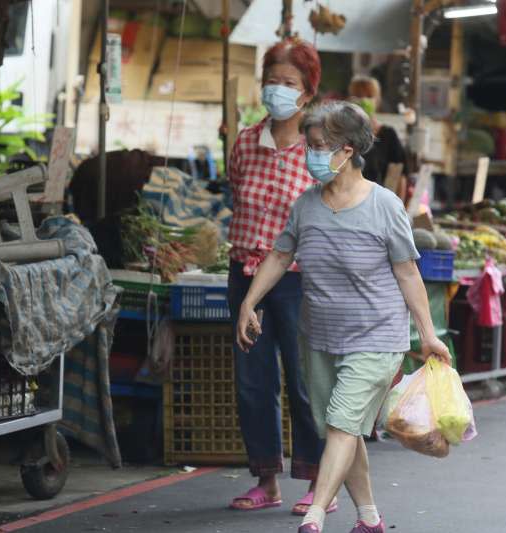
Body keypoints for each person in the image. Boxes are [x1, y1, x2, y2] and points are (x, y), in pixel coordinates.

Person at [235, 101, 451, 533]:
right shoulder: (306, 205)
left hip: (376, 338)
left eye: (318, 147)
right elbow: (280, 255)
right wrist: (249, 301)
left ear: (347, 150)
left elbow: (408, 272)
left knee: (339, 423)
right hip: (319, 337)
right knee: (342, 427)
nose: (310, 156)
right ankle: (369, 518)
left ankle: (315, 515)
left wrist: (427, 334)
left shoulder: (385, 206)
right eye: (309, 147)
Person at [226, 38, 329, 516]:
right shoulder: (245, 142)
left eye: (288, 83)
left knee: (305, 381)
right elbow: (235, 196)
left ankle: (316, 481)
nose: (277, 91)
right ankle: (266, 479)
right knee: (253, 380)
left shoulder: (319, 150)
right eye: (271, 81)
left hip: (298, 280)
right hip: (244, 276)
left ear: (306, 93)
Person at [347, 76, 407, 188]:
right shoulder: (343, 134)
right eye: (358, 96)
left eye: (369, 96)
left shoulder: (388, 135)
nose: (364, 100)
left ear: (378, 100)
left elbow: (400, 176)